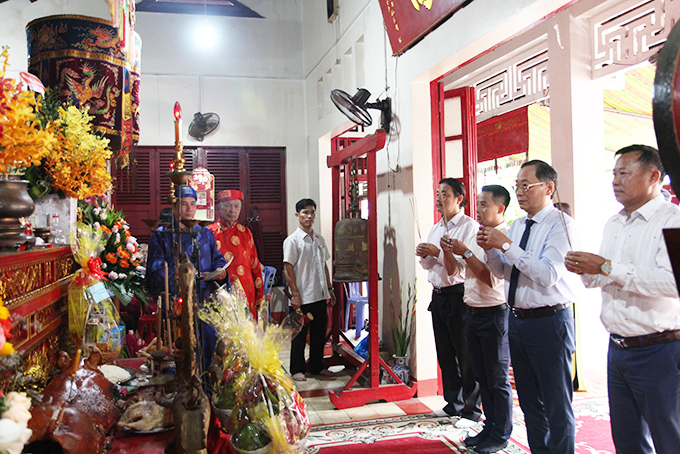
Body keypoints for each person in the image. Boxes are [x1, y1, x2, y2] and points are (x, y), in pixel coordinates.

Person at [565, 145, 680, 454]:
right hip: (618, 349)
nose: (615, 181)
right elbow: (605, 276)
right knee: (627, 439)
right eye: (613, 174)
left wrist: (604, 266)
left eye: (624, 173)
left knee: (670, 437)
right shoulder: (614, 222)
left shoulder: (673, 220)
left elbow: (671, 282)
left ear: (653, 176)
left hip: (660, 349)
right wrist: (585, 269)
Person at [478, 160, 580, 454]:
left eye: (526, 185)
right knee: (531, 401)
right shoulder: (519, 224)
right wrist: (492, 250)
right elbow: (504, 272)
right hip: (518, 321)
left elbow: (548, 274)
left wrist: (506, 245)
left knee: (556, 404)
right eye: (517, 186)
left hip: (550, 322)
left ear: (549, 187)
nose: (520, 192)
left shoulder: (561, 225)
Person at [447, 185, 513, 453]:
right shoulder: (477, 234)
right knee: (481, 377)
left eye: (484, 204)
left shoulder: (506, 237)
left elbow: (490, 277)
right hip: (471, 311)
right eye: (478, 203)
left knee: (497, 379)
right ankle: (489, 427)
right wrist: (450, 252)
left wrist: (465, 253)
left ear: (500, 208)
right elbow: (459, 272)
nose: (479, 208)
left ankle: (502, 433)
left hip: (494, 313)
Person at [416, 178, 482, 428]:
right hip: (439, 295)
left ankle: (472, 409)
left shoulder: (469, 227)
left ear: (459, 199)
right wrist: (426, 254)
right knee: (445, 354)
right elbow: (429, 265)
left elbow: (465, 268)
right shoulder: (436, 227)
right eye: (437, 193)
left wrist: (437, 254)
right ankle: (452, 403)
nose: (439, 198)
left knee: (466, 354)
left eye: (445, 193)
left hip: (460, 294)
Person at [146, 185, 227, 367]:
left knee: (209, 342)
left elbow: (217, 258)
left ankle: (207, 386)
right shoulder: (161, 235)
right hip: (178, 302)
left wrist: (220, 270)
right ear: (174, 207)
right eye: (184, 204)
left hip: (205, 299)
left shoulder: (205, 233)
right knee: (183, 347)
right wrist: (176, 279)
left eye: (193, 204)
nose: (190, 209)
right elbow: (156, 268)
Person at [283, 198, 336, 382]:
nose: (309, 216)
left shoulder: (319, 239)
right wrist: (295, 294)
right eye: (305, 212)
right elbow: (288, 269)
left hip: (320, 295)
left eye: (312, 212)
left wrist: (330, 289)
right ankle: (297, 369)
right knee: (299, 335)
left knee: (319, 334)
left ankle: (316, 366)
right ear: (297, 215)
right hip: (302, 297)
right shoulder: (293, 241)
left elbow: (324, 266)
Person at [208, 189, 265, 318]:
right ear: (219, 208)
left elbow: (255, 265)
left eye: (236, 206)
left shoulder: (246, 232)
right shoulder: (209, 233)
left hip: (246, 291)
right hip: (220, 293)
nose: (233, 210)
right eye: (228, 206)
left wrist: (259, 296)